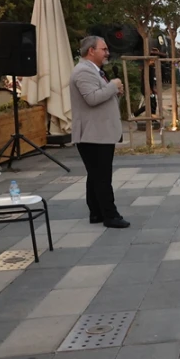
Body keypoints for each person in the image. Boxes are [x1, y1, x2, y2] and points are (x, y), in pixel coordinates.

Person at [70, 36, 128, 229]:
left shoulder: (94, 70)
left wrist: (114, 91)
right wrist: (113, 85)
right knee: (102, 176)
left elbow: (100, 95)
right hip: (92, 134)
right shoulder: (83, 72)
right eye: (104, 49)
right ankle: (110, 215)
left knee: (95, 174)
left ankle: (96, 212)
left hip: (99, 133)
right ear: (91, 51)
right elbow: (92, 98)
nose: (107, 53)